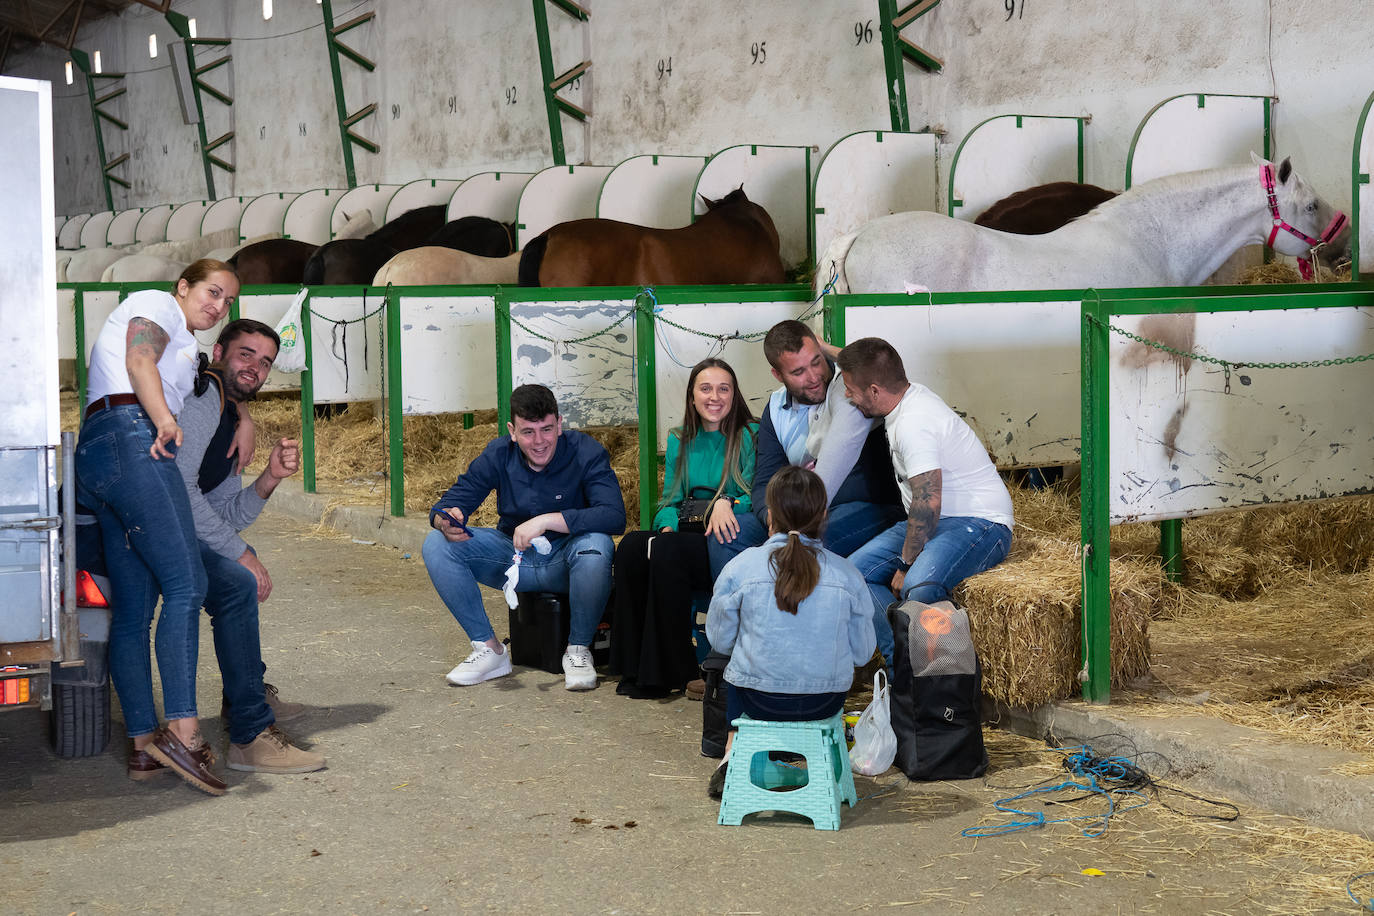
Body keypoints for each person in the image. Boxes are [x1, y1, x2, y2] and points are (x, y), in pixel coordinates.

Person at [75, 258, 238, 795]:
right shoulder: (156, 304)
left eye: (228, 301)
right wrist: (164, 421)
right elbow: (140, 358)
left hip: (103, 448)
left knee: (134, 610)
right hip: (133, 436)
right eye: (212, 292)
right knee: (187, 584)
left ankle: (145, 746)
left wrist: (240, 417)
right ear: (184, 286)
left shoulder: (184, 340)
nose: (219, 306)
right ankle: (184, 737)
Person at [162, 318, 326, 777]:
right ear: (218, 353)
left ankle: (246, 697)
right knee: (237, 580)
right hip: (155, 533)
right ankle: (250, 733)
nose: (256, 367)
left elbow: (225, 515)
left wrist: (270, 478)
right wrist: (241, 554)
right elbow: (180, 491)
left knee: (237, 563)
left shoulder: (229, 415)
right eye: (246, 354)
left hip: (177, 529)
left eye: (266, 362)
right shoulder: (203, 402)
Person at [422, 384, 625, 691]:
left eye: (547, 429)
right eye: (528, 432)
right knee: (436, 543)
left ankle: (578, 650)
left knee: (597, 545)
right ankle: (489, 649)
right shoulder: (499, 453)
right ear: (512, 431)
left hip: (567, 560)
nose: (539, 441)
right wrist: (445, 519)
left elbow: (613, 515)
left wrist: (546, 521)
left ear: (559, 424)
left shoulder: (586, 451)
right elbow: (452, 501)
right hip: (513, 558)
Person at [836, 337, 1014, 667]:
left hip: (980, 522)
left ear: (874, 390)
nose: (847, 395)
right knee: (853, 574)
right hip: (936, 520)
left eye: (850, 389)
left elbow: (928, 502)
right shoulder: (904, 394)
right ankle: (903, 671)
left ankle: (939, 682)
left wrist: (906, 565)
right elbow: (869, 362)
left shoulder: (913, 423)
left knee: (919, 587)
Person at [703, 466, 875, 799]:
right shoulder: (848, 574)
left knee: (734, 664)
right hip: (824, 703)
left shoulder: (741, 566)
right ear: (823, 516)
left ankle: (731, 753)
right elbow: (863, 653)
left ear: (769, 516)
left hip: (758, 702)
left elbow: (720, 641)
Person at [708, 319, 903, 578]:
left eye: (816, 361)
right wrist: (772, 516)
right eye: (798, 372)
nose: (813, 377)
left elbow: (878, 363)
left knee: (804, 542)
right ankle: (738, 604)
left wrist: (796, 523)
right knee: (728, 535)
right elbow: (765, 480)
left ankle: (783, 601)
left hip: (864, 506)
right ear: (778, 375)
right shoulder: (775, 408)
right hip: (796, 512)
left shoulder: (851, 386)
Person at [610, 358, 757, 698]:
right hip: (686, 530)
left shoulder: (749, 435)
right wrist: (666, 526)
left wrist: (728, 503)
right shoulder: (680, 439)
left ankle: (675, 670)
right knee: (632, 546)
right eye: (705, 389)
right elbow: (670, 500)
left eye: (723, 389)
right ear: (692, 396)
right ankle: (633, 668)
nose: (714, 397)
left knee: (668, 550)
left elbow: (757, 495)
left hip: (724, 536)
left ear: (734, 395)